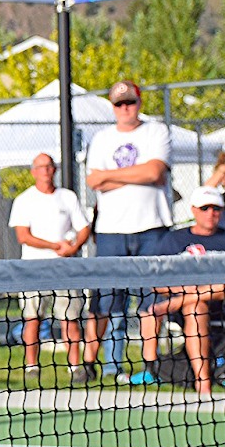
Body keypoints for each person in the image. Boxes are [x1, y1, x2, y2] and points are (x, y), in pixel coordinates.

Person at [83, 79, 172, 382]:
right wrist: (139, 174)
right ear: (112, 107)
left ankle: (150, 366)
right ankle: (97, 364)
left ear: (140, 102)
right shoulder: (101, 139)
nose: (125, 108)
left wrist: (111, 175)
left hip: (152, 228)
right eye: (119, 104)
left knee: (151, 300)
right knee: (107, 302)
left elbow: (155, 171)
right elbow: (94, 181)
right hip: (111, 232)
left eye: (130, 102)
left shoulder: (156, 131)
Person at [131, 187, 225, 393]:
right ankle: (198, 379)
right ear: (194, 210)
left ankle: (185, 301)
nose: (210, 213)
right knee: (193, 307)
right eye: (205, 208)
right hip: (186, 307)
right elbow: (155, 280)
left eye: (215, 209)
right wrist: (182, 293)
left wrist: (183, 297)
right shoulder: (173, 240)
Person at [7, 153, 92, 380]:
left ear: (54, 170)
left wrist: (72, 248)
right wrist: (55, 245)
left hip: (65, 269)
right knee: (32, 318)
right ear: (34, 171)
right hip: (34, 270)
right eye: (41, 167)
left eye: (49, 166)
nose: (45, 170)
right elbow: (23, 236)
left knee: (70, 319)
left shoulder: (68, 197)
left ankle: (75, 367)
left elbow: (84, 228)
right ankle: (31, 366)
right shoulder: (24, 200)